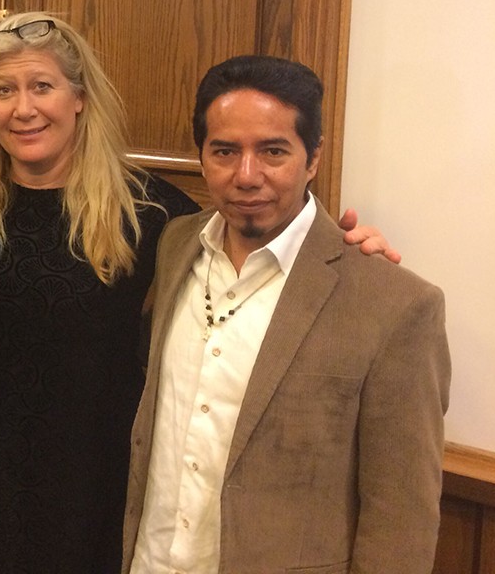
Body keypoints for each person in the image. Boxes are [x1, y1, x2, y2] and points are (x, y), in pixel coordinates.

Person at [123, 55, 449, 573]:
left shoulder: (394, 305)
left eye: (273, 151)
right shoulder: (175, 244)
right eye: (225, 151)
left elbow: (401, 518)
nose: (246, 175)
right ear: (202, 156)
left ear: (312, 158)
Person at [0, 13, 199, 573]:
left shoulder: (150, 214)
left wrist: (349, 246)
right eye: (4, 91)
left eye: (41, 86)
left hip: (89, 489)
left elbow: (250, 272)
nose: (23, 109)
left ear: (78, 97)